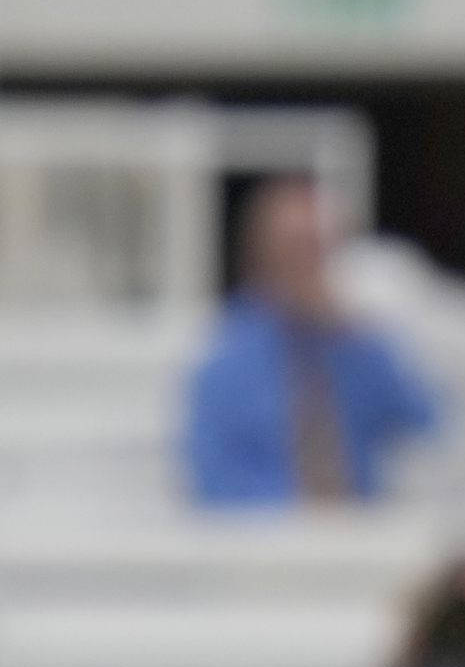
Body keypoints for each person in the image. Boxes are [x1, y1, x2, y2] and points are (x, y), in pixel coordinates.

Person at [184, 178, 441, 507]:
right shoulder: (225, 359)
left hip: (363, 537)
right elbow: (213, 481)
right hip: (262, 546)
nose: (308, 265)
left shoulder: (358, 344)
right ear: (261, 254)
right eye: (295, 248)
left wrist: (365, 341)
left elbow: (429, 424)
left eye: (319, 250)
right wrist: (304, 515)